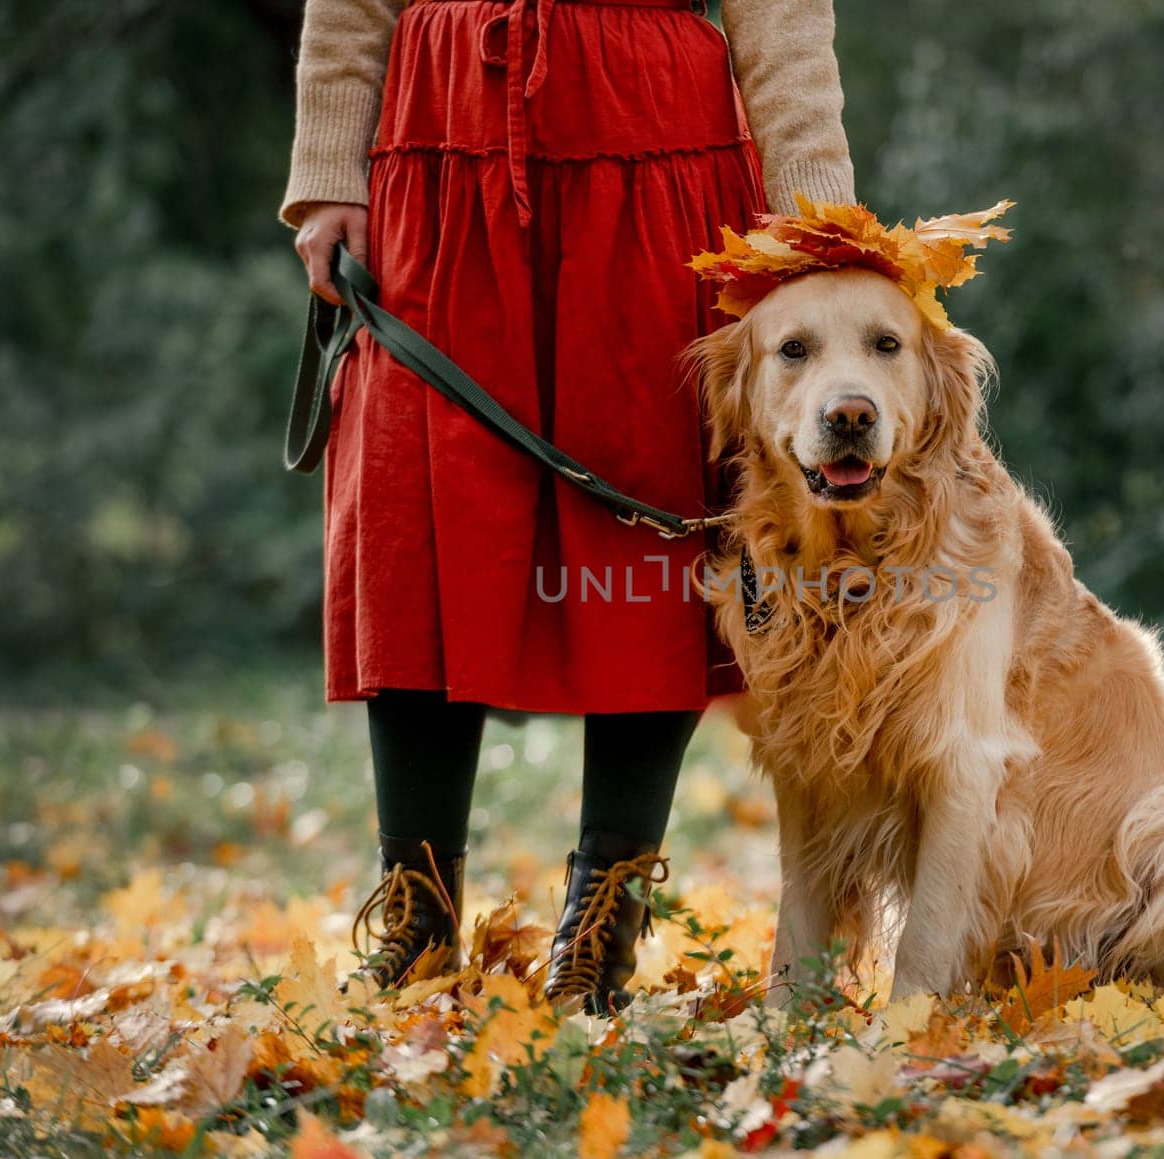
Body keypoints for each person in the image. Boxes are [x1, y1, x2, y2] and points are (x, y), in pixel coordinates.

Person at [279, 0, 855, 1013]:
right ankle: (416, 925)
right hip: (438, 147)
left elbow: (783, 13)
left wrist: (811, 215)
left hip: (660, 153)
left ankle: (600, 936)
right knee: (418, 516)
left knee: (652, 525)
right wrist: (328, 171)